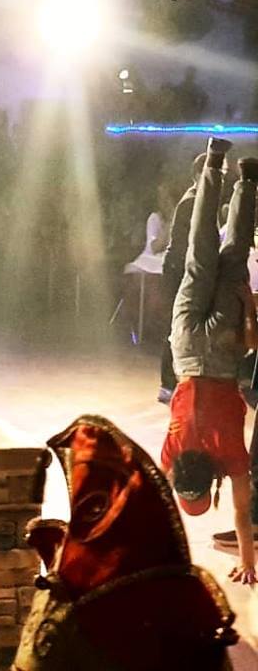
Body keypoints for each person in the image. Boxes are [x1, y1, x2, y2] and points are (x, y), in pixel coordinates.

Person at [160, 138, 258, 585]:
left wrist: (249, 563)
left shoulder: (230, 456)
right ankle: (213, 163)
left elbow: (241, 512)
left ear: (211, 486)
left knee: (233, 258)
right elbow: (157, 497)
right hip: (186, 351)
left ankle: (248, 180)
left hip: (221, 354)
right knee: (199, 257)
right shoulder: (173, 451)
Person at [158, 154, 208, 404]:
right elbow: (189, 244)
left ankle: (179, 383)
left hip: (184, 268)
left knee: (185, 325)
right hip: (177, 269)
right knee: (176, 325)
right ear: (199, 174)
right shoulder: (192, 201)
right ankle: (168, 384)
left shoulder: (201, 200)